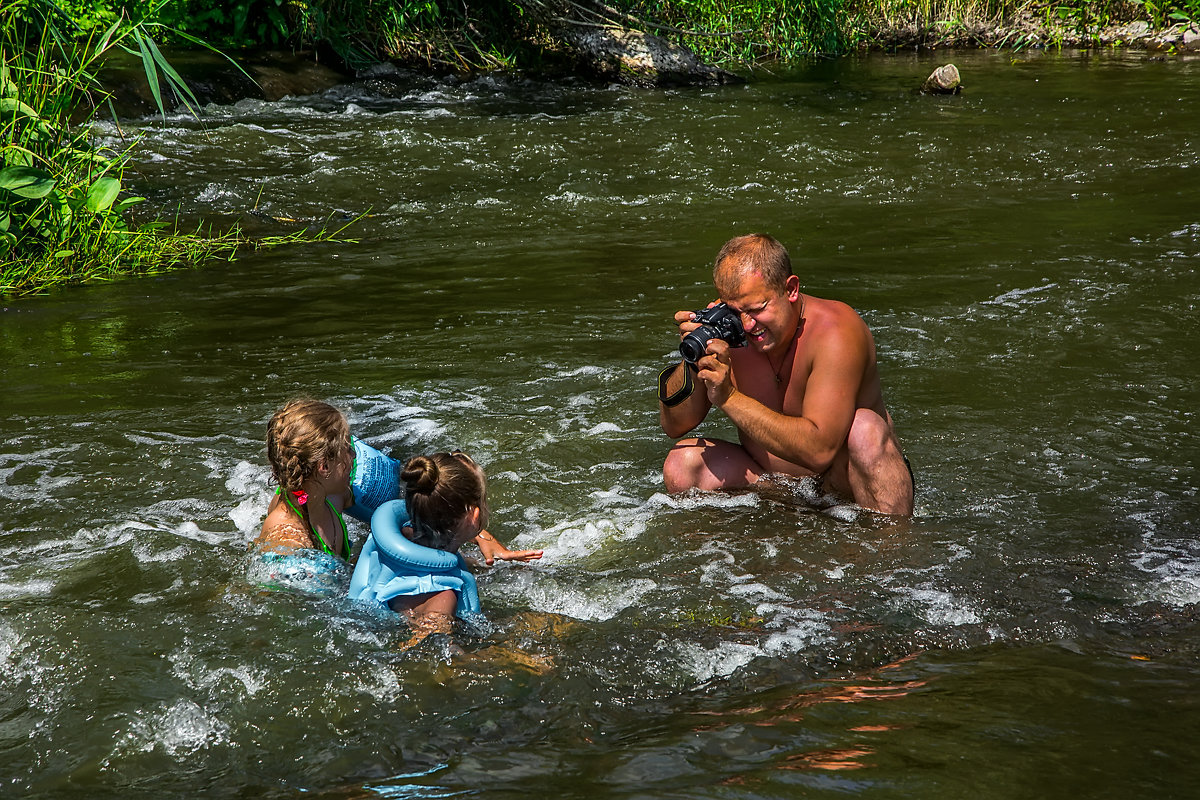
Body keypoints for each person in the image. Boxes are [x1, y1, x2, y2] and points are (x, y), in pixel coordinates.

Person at [658, 234, 914, 515]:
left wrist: (728, 398)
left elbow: (819, 451)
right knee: (682, 464)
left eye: (757, 309)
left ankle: (892, 548)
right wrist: (695, 358)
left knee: (865, 429)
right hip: (774, 486)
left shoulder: (835, 331)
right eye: (735, 310)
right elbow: (674, 426)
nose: (747, 324)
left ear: (790, 289)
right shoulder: (729, 328)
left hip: (843, 486)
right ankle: (736, 551)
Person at [349, 451, 540, 635]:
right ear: (474, 517)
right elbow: (428, 660)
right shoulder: (442, 598)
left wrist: (484, 542)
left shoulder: (396, 538)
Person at [255, 398, 355, 559]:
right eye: (348, 449)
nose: (355, 455)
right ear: (324, 467)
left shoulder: (331, 495)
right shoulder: (289, 541)